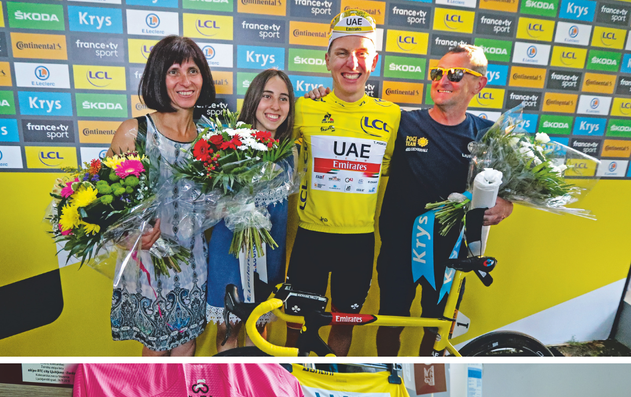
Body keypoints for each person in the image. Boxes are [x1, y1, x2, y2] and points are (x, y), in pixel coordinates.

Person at [375, 44, 514, 356]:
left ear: (479, 83)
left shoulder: (488, 135)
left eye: (455, 73)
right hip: (399, 249)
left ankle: (425, 386)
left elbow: (506, 187)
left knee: (437, 326)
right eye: (438, 73)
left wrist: (506, 204)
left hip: (452, 253)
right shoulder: (403, 123)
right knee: (390, 321)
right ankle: (385, 379)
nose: (443, 80)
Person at [285, 10, 400, 355]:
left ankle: (332, 379)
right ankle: (293, 380)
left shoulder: (392, 116)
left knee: (343, 322)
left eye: (362, 53)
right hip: (311, 237)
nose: (353, 63)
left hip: (360, 241)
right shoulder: (303, 108)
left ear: (374, 61)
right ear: (327, 60)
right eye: (342, 53)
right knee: (296, 323)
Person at [108, 35, 219, 357]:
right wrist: (128, 236)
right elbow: (104, 206)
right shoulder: (134, 132)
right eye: (174, 71)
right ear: (159, 77)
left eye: (193, 71)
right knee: (155, 349)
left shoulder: (212, 138)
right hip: (148, 262)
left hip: (195, 262)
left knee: (187, 344)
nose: (185, 81)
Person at [206, 68, 297, 352]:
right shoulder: (229, 144)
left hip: (269, 252)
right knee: (228, 328)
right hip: (230, 251)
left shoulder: (291, 151)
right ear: (254, 98)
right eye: (267, 96)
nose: (275, 106)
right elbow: (208, 204)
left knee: (259, 329)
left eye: (284, 99)